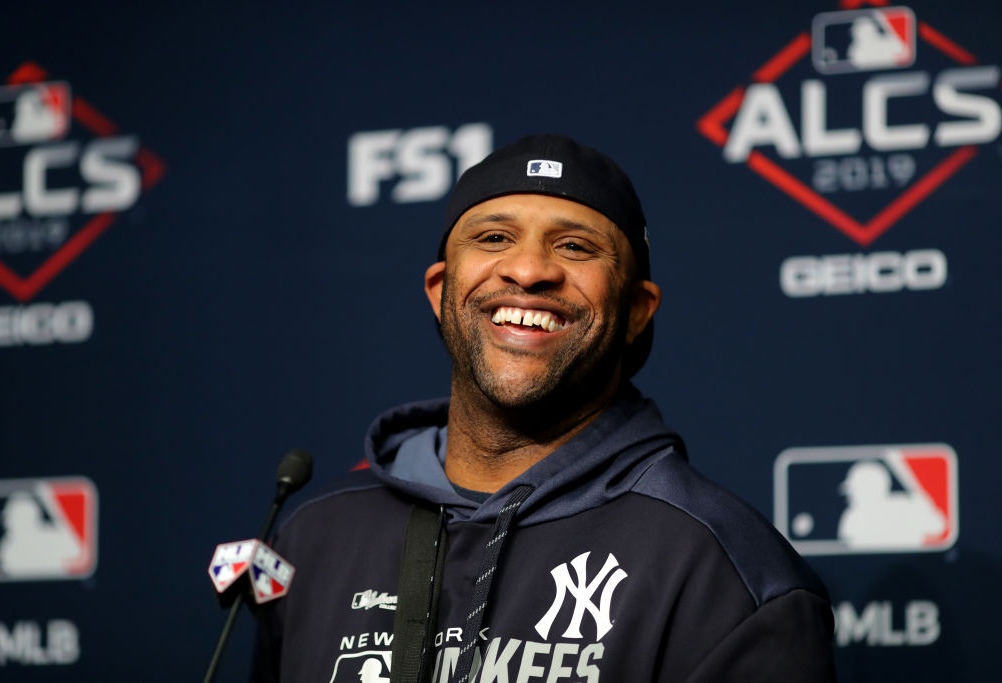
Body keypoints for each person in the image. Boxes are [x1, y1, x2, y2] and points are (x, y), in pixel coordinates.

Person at [251, 135, 836, 682]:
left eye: (575, 247)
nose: (528, 271)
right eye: (494, 238)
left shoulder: (724, 568)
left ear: (637, 309)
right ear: (439, 290)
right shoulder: (314, 537)